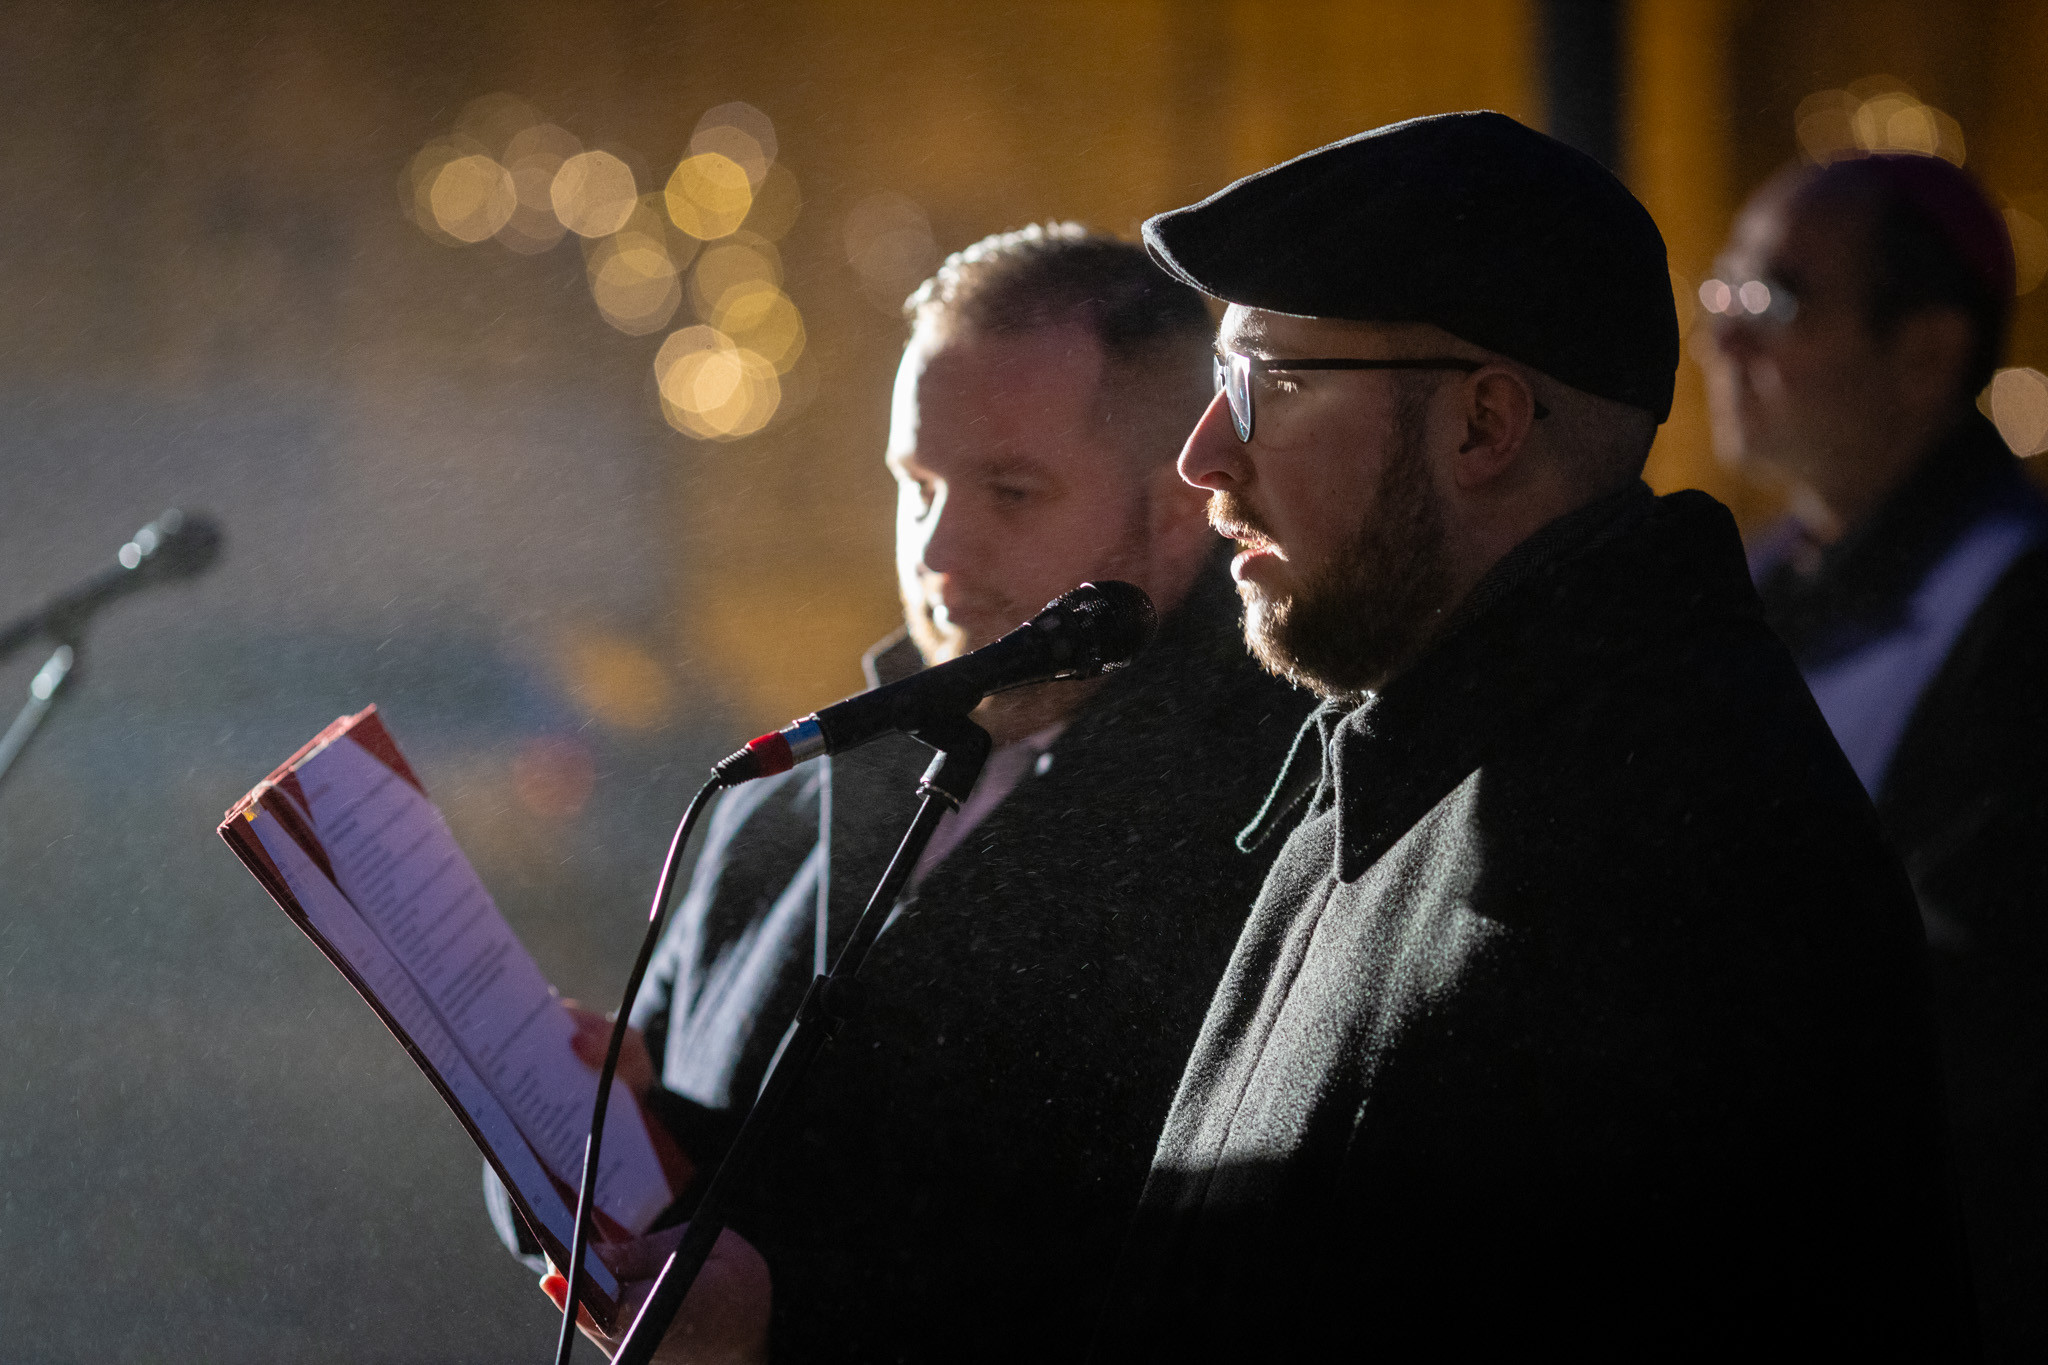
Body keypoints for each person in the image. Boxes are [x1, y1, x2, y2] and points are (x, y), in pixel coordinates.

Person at [1094, 112, 1972, 1359]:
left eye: (1263, 383)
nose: (1203, 456)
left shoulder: (1655, 853)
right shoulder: (1417, 750)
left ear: (1483, 427)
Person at [493, 224, 1313, 1360]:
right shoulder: (789, 796)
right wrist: (586, 1125)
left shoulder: (1276, 830)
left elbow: (1196, 1274)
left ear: (1181, 508)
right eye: (915, 486)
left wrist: (790, 1326)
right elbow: (688, 1183)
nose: (936, 549)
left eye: (1011, 492)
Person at [1700, 152, 2046, 1360]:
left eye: (1774, 300)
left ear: (1924, 350)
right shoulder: (1751, 577)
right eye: (1721, 294)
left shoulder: (2018, 614)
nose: (1723, 339)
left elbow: (1970, 1009)